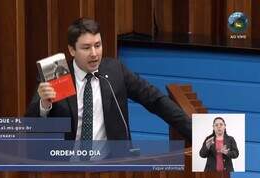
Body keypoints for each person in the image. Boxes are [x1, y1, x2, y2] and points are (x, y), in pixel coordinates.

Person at [25, 18, 192, 141]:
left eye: (97, 45)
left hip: (111, 165)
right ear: (71, 50)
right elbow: (30, 129)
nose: (94, 53)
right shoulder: (57, 75)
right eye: (86, 47)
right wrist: (44, 105)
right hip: (68, 166)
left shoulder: (115, 71)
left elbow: (156, 100)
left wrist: (196, 132)